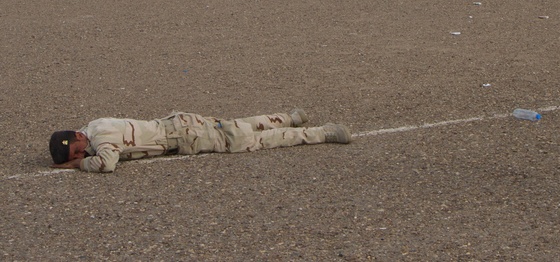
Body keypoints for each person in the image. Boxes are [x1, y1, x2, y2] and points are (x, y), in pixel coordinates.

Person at [49, 109, 351, 173]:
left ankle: (323, 133)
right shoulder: (93, 125)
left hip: (183, 135)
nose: (81, 152)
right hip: (181, 124)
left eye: (78, 149)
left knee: (249, 140)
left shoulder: (101, 136)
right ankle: (290, 115)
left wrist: (78, 165)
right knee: (237, 125)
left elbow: (107, 163)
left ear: (79, 138)